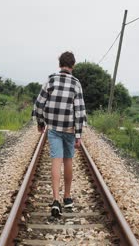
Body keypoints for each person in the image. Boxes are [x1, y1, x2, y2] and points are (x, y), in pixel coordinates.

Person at [33, 51, 87, 217]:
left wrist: (40, 122)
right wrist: (78, 135)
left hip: (54, 128)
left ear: (60, 64)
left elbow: (39, 103)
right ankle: (67, 197)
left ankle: (55, 199)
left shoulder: (51, 79)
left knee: (56, 160)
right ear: (73, 65)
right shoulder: (76, 83)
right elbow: (79, 110)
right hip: (70, 129)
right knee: (68, 160)